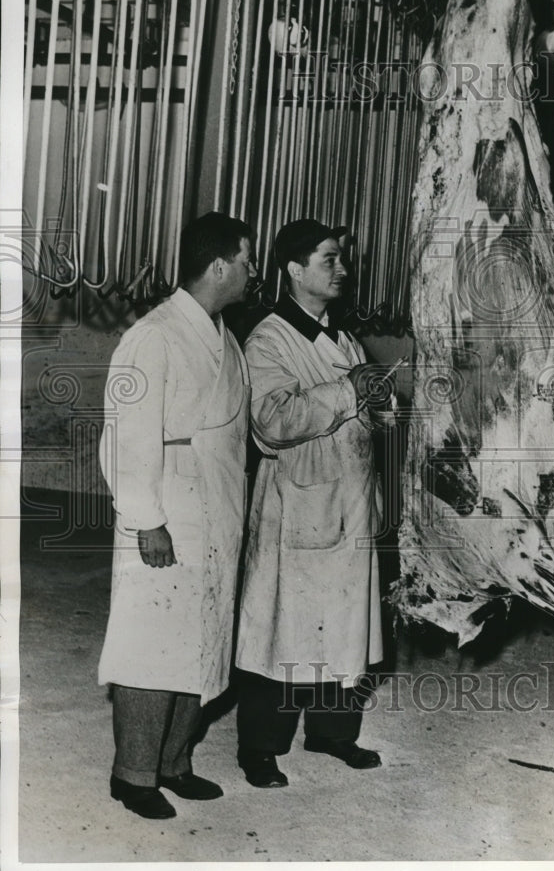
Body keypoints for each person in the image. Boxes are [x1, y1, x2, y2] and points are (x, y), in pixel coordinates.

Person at [98, 212, 256, 819]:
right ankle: (133, 772)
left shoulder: (226, 336)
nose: (252, 273)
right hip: (167, 506)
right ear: (220, 265)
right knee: (151, 637)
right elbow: (126, 436)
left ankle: (174, 761)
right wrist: (146, 519)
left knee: (204, 632)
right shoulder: (154, 335)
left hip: (218, 503)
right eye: (246, 261)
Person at [234, 218, 389, 788]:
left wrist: (380, 400)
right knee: (282, 630)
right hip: (296, 510)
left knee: (344, 626)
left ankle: (332, 734)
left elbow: (364, 411)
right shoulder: (268, 338)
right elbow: (273, 421)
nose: (343, 270)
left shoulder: (342, 335)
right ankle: (260, 749)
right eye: (330, 259)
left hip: (348, 508)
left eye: (341, 259)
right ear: (294, 269)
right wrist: (352, 391)